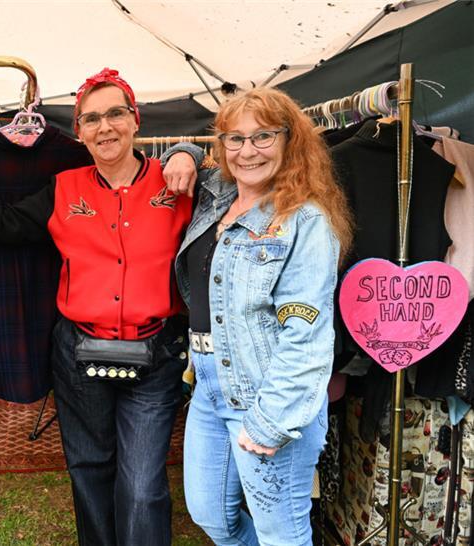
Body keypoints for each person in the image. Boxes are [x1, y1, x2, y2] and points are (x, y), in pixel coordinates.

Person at [0, 68, 192, 545]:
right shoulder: (64, 187)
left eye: (115, 114)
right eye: (91, 119)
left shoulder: (174, 182)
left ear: (136, 120)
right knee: (89, 469)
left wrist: (188, 151)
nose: (105, 127)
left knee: (142, 485)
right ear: (79, 132)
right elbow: (0, 225)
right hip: (78, 355)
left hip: (154, 354)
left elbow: (237, 175)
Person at [161, 87, 353, 545]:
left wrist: (272, 419)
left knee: (281, 533)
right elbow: (188, 157)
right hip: (208, 384)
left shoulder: (305, 220)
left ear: (290, 140)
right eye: (236, 138)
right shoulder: (218, 196)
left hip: (265, 389)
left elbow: (306, 334)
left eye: (263, 136)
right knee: (211, 516)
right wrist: (183, 151)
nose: (248, 151)